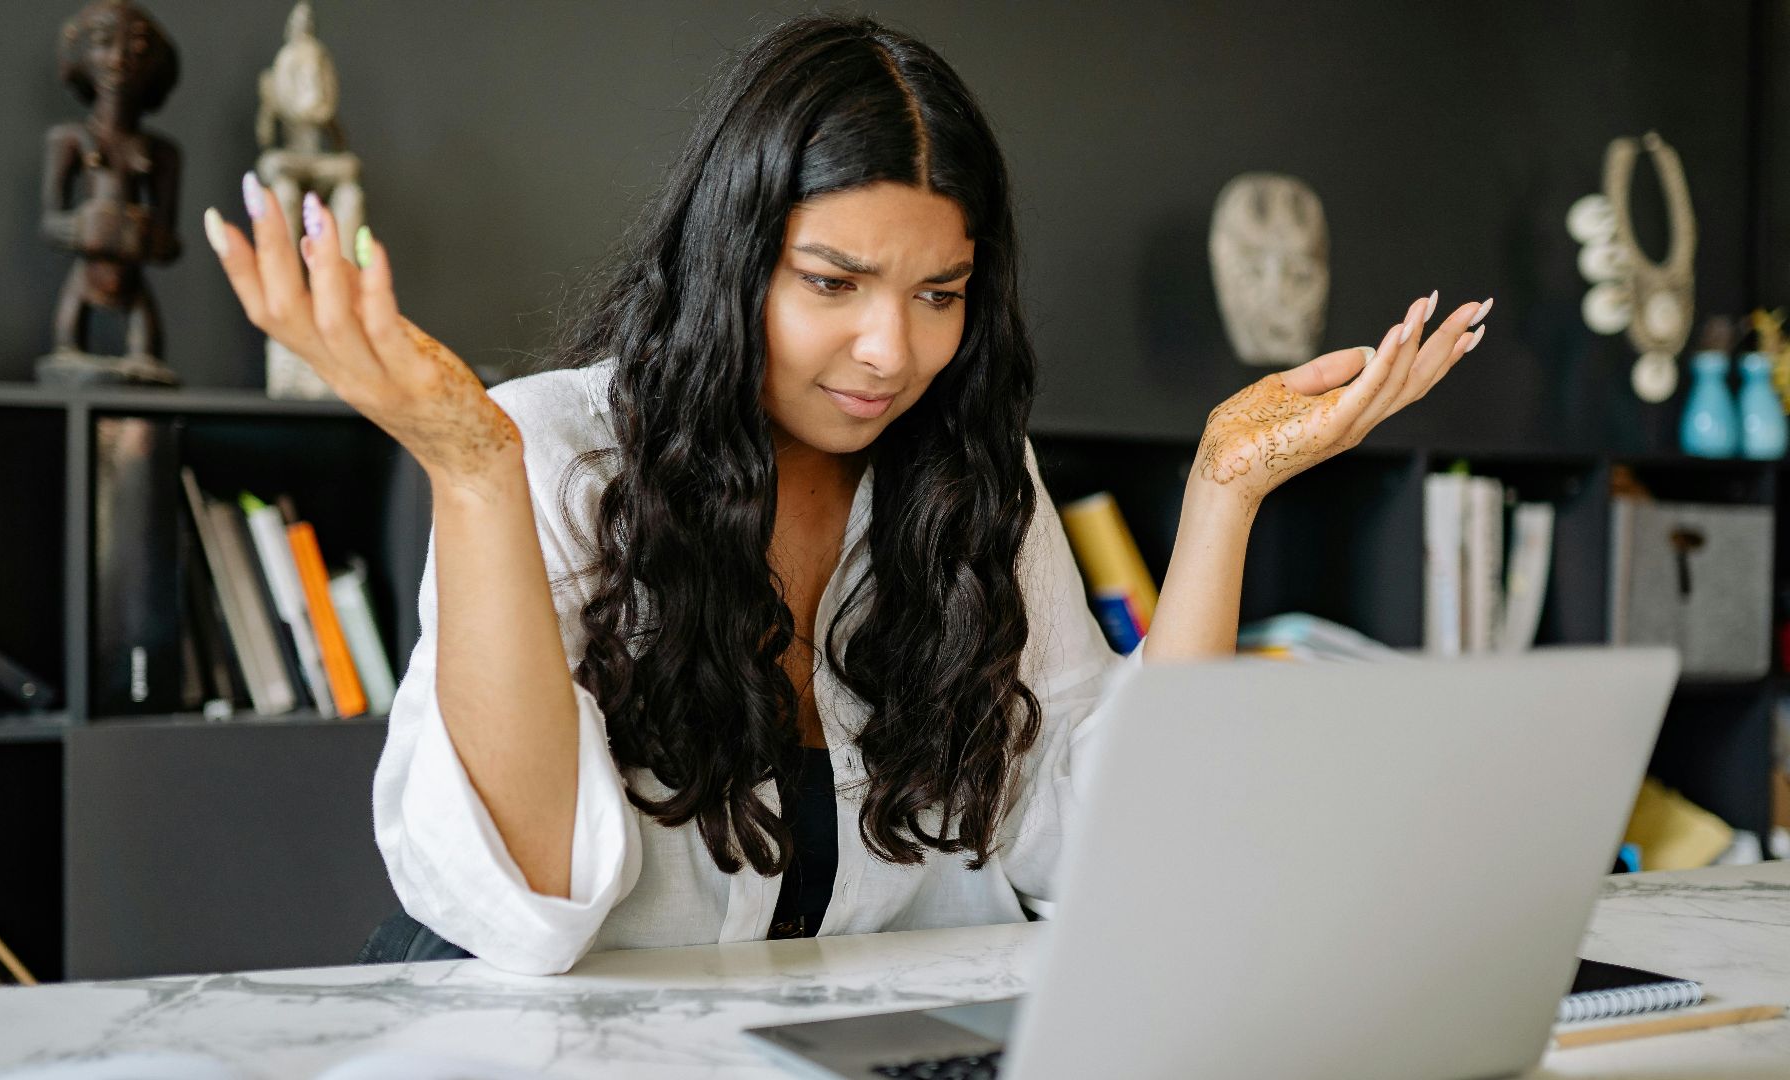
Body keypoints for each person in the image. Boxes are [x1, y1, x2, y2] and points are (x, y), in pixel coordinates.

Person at [203, 14, 1491, 975]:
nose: (892, 351)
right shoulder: (548, 448)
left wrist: (1224, 494)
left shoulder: (966, 476)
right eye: (833, 283)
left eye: (941, 295)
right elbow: (531, 901)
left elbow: (1124, 846)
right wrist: (473, 473)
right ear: (733, 262)